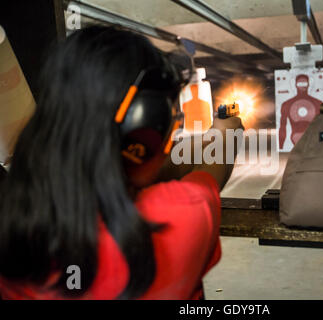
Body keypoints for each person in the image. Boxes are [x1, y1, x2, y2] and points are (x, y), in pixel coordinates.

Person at [0, 26, 243, 300]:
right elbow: (209, 174)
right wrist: (228, 129)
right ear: (144, 127)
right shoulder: (180, 215)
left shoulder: (15, 222)